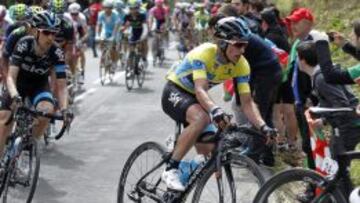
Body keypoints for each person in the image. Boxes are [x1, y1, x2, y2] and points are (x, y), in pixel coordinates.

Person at [161, 17, 277, 191]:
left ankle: (184, 165)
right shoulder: (205, 53)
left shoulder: (242, 65)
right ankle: (171, 168)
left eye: (245, 45)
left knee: (212, 150)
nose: (242, 50)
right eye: (238, 45)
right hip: (176, 91)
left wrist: (263, 126)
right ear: (223, 43)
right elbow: (200, 89)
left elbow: (247, 103)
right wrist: (215, 110)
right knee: (201, 119)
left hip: (197, 100)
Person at [0, 11, 70, 160]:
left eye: (54, 33)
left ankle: (25, 147)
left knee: (47, 112)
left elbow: (62, 85)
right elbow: (11, 77)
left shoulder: (56, 52)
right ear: (37, 32)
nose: (51, 37)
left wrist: (64, 109)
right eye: (46, 32)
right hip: (18, 83)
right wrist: (14, 95)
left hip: (39, 85)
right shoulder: (24, 44)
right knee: (5, 118)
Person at [218, 6, 282, 166]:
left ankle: (253, 155)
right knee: (264, 115)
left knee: (259, 112)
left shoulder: (237, 40)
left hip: (267, 73)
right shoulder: (242, 33)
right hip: (268, 71)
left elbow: (237, 72)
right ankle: (267, 156)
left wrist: (240, 100)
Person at [297, 41, 360, 200]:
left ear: (303, 60)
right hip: (348, 123)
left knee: (335, 167)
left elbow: (341, 103)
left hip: (349, 124)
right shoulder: (319, 75)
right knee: (339, 167)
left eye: (297, 58)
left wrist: (324, 119)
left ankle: (341, 198)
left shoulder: (321, 78)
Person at [65, 2, 88, 84]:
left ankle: (82, 72)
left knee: (81, 52)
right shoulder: (66, 17)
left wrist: (81, 41)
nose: (74, 16)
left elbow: (86, 33)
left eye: (76, 14)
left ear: (79, 12)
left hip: (79, 33)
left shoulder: (82, 18)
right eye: (72, 14)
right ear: (69, 12)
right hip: (70, 33)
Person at [122, 0, 149, 67]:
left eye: (135, 8)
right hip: (133, 32)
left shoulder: (142, 15)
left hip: (142, 31)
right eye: (131, 8)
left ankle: (144, 58)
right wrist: (122, 30)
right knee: (131, 47)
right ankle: (130, 64)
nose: (133, 10)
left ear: (138, 8)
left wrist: (144, 35)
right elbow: (123, 26)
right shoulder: (127, 15)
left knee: (144, 43)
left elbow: (145, 27)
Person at [96, 0, 120, 73]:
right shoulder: (101, 14)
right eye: (105, 8)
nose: (107, 9)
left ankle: (114, 63)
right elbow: (99, 25)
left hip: (114, 31)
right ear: (103, 8)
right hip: (106, 30)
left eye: (109, 8)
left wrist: (113, 36)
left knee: (113, 48)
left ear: (111, 8)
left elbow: (116, 26)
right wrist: (98, 35)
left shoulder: (115, 14)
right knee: (102, 42)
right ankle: (103, 55)